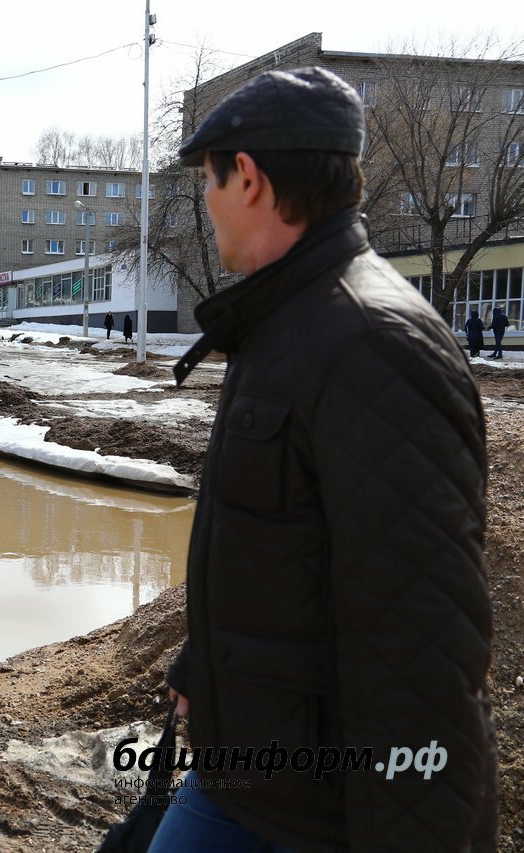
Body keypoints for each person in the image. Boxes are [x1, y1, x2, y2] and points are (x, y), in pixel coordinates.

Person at [152, 67, 495, 853]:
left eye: (208, 180)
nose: (205, 205)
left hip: (319, 809)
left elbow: (423, 647)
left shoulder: (371, 342)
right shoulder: (286, 321)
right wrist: (203, 661)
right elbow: (274, 541)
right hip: (246, 769)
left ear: (249, 178)